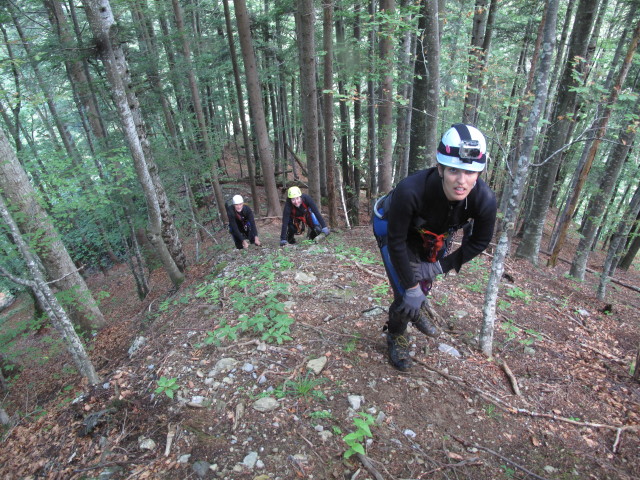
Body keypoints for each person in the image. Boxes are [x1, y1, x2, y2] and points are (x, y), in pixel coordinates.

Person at [372, 124, 497, 371]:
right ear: (439, 168)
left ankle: (416, 305)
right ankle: (397, 335)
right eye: (454, 170)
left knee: (422, 284)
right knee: (405, 292)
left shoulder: (484, 200)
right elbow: (397, 242)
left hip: (432, 235)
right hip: (392, 229)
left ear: (480, 173)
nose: (462, 181)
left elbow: (481, 241)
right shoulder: (411, 190)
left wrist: (439, 267)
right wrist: (409, 287)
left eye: (470, 173)